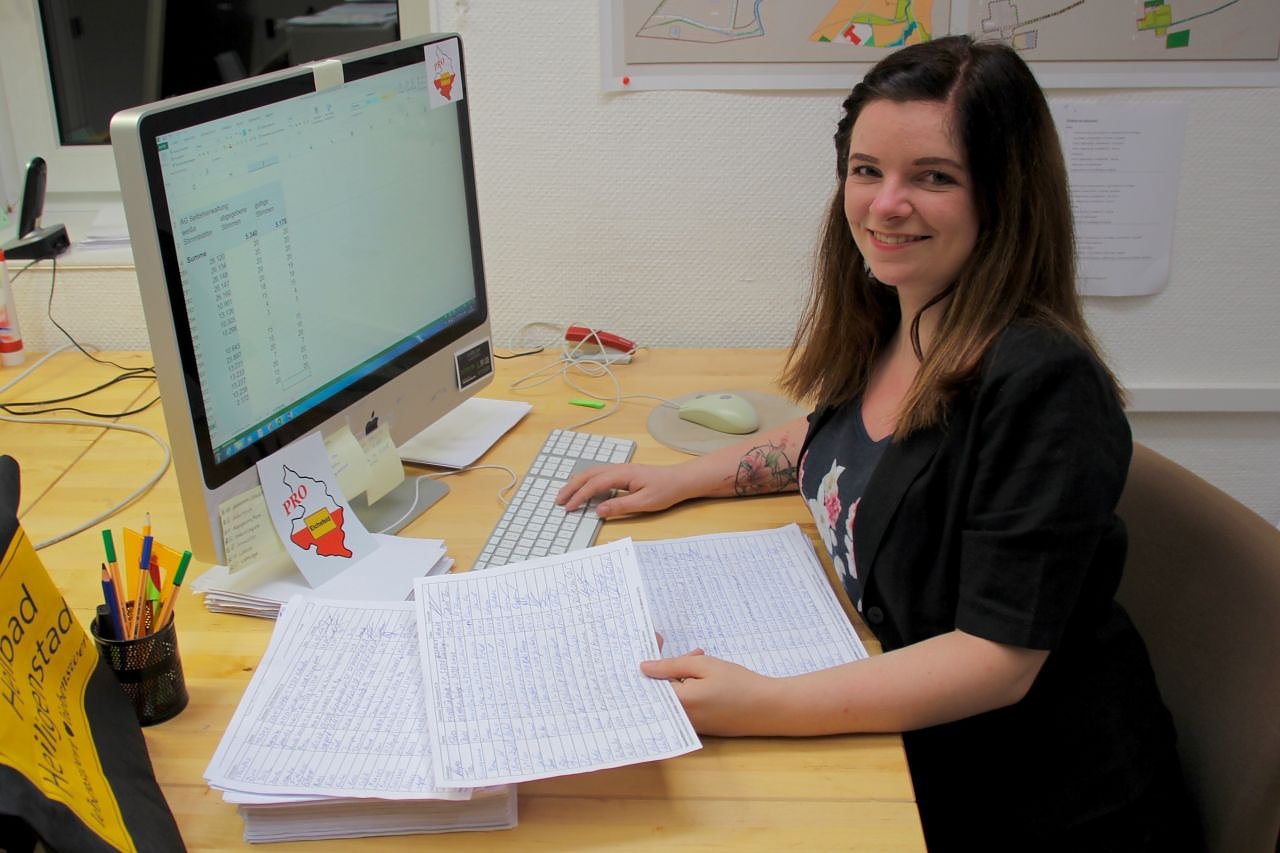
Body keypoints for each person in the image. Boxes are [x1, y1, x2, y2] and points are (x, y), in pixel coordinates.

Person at [557, 35, 1198, 852]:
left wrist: (763, 704)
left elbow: (997, 658)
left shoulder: (1045, 386)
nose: (886, 204)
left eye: (933, 177)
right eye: (867, 170)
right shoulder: (902, 308)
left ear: (1005, 194)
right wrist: (683, 478)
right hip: (914, 732)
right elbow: (839, 438)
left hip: (1033, 794)